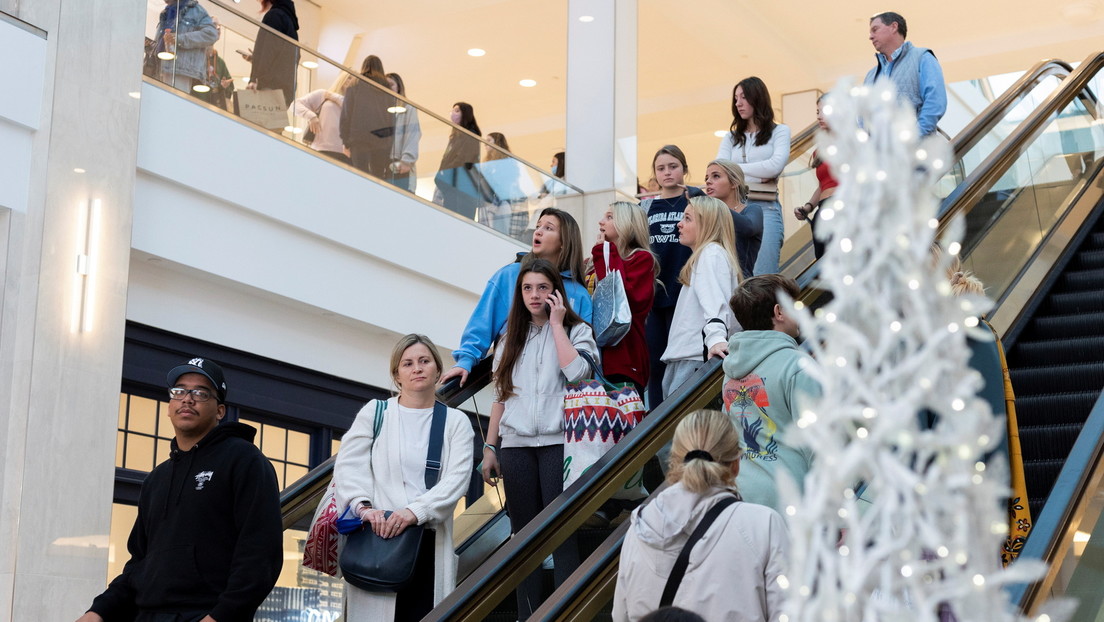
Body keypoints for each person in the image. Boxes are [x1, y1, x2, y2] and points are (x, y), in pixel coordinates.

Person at [76, 357, 283, 622]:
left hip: (204, 615)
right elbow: (139, 563)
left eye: (200, 392)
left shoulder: (244, 460)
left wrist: (222, 616)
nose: (187, 399)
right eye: (179, 391)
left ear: (220, 410)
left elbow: (260, 553)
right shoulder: (157, 479)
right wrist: (99, 610)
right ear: (169, 405)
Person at [479, 257, 597, 620]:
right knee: (523, 540)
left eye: (542, 288)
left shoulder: (577, 331)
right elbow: (501, 396)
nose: (535, 295)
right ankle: (526, 614)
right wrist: (489, 446)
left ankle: (566, 613)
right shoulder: (508, 337)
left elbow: (577, 374)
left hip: (559, 442)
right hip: (515, 447)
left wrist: (559, 324)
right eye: (527, 288)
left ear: (556, 292)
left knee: (561, 533)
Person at [333, 334, 475, 622]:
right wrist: (364, 509)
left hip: (427, 543)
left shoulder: (456, 422)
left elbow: (457, 479)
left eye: (424, 361)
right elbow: (348, 467)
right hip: (375, 539)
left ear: (438, 368)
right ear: (397, 375)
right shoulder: (376, 413)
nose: (417, 368)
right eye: (407, 363)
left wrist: (414, 512)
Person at [612, 410, 788, 622]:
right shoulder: (764, 525)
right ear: (736, 463)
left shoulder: (639, 528)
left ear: (673, 462)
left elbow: (621, 616)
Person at [439, 207, 593, 387]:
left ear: (564, 242)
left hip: (562, 397)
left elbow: (588, 353)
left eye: (548, 228)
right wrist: (465, 361)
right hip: (515, 390)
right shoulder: (509, 276)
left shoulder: (579, 294)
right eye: (538, 226)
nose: (538, 231)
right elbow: (483, 322)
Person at [723, 274, 819, 512]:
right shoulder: (797, 367)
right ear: (779, 312)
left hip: (741, 499)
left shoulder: (730, 372)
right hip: (791, 503)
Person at [643, 145, 706, 407]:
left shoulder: (696, 200)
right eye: (661, 168)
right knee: (655, 364)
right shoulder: (645, 207)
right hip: (654, 296)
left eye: (673, 166)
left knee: (683, 362)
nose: (667, 172)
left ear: (684, 169)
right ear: (655, 174)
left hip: (685, 292)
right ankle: (656, 426)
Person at [660, 196, 741, 399]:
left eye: (688, 218)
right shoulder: (708, 255)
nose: (679, 223)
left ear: (706, 224)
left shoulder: (711, 253)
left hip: (694, 360)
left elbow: (715, 304)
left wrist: (715, 339)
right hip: (690, 358)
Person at [715, 77, 791, 276]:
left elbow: (774, 167)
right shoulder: (730, 137)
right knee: (731, 275)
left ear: (757, 98)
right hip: (733, 209)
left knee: (764, 275)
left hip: (766, 207)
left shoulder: (780, 131)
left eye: (743, 97)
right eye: (736, 98)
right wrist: (758, 171)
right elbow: (719, 170)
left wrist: (735, 170)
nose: (738, 103)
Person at [593, 201, 658, 395]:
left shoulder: (642, 259)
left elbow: (618, 296)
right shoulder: (595, 260)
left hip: (625, 360)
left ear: (627, 223)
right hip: (595, 360)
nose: (601, 222)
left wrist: (606, 252)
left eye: (610, 217)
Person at [864, 11, 947, 137]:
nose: (870, 36)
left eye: (875, 30)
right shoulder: (870, 75)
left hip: (913, 152)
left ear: (893, 27)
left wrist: (913, 139)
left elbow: (935, 102)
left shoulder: (922, 57)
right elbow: (863, 116)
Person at [794, 96, 837, 259]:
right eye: (818, 112)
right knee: (824, 266)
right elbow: (822, 186)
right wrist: (807, 207)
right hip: (822, 210)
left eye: (824, 111)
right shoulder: (819, 150)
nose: (819, 116)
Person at [704, 159, 762, 279]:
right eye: (706, 178)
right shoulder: (706, 216)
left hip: (740, 289)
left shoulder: (752, 210)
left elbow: (748, 227)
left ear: (734, 182)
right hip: (709, 283)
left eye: (716, 176)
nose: (708, 181)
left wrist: (702, 198)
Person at [339, 56, 395, 178]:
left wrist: (345, 141)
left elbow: (346, 114)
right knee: (378, 176)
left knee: (360, 174)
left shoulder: (355, 85)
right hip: (381, 140)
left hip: (359, 138)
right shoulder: (388, 90)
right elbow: (392, 119)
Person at [148, 0, 218, 94]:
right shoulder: (166, 12)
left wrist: (179, 39)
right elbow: (162, 41)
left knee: (174, 102)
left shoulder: (196, 11)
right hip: (159, 68)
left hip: (180, 70)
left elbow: (211, 35)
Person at [435, 102, 484, 219]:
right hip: (452, 184)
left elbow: (464, 160)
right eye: (452, 111)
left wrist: (444, 172)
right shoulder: (455, 136)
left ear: (465, 114)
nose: (452, 114)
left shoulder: (470, 134)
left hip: (461, 186)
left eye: (457, 111)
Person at [245, 0, 299, 105]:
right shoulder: (290, 22)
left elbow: (269, 51)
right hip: (283, 92)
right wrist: (255, 59)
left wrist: (256, 79)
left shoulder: (274, 15)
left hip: (268, 88)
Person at [293, 73, 355, 164]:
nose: (350, 81)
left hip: (345, 154)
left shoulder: (355, 105)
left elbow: (351, 109)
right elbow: (295, 105)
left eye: (354, 80)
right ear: (342, 78)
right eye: (349, 77)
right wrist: (311, 117)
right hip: (321, 148)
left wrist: (334, 97)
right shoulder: (323, 94)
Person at [479, 132, 529, 236]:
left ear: (497, 142)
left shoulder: (507, 161)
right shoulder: (487, 165)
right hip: (490, 204)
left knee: (503, 234)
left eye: (488, 140)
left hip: (503, 203)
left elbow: (505, 184)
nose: (484, 143)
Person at [386, 72, 421, 192]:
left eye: (391, 84)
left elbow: (413, 134)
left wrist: (406, 160)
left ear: (399, 87)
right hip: (383, 163)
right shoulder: (382, 111)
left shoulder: (408, 108)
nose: (388, 87)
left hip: (399, 164)